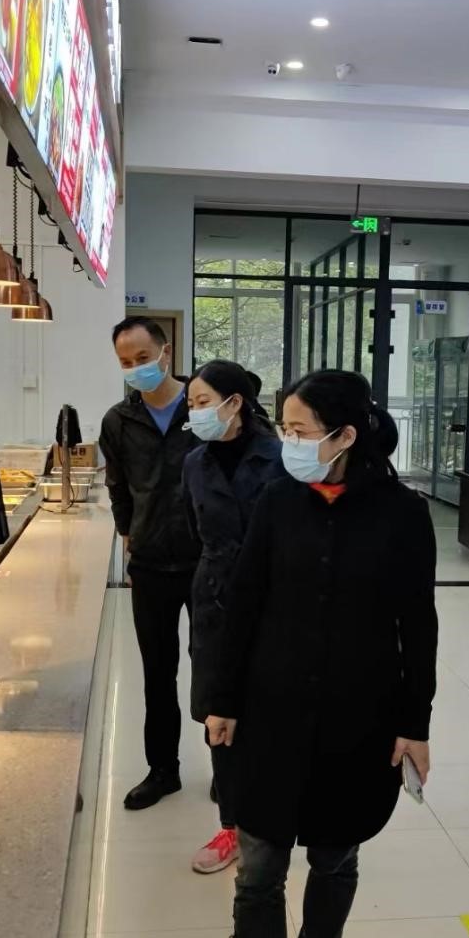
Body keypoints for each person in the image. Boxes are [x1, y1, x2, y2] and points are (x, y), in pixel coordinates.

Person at [206, 369, 437, 938]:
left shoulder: (403, 514)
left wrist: (415, 724)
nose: (289, 442)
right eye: (285, 429)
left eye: (300, 431)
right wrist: (222, 698)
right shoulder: (277, 502)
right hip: (269, 713)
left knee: (335, 860)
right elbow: (244, 604)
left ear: (345, 436)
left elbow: (418, 625)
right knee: (259, 869)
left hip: (358, 719)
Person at [181, 360, 284, 875]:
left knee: (270, 709)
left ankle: (274, 817)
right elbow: (193, 527)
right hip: (215, 598)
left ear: (234, 402)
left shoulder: (280, 459)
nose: (195, 411)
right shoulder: (194, 462)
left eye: (203, 402)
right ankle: (232, 826)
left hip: (274, 598)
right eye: (192, 404)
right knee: (218, 714)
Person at [100, 318, 201, 810]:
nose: (135, 368)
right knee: (157, 674)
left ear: (165, 352)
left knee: (216, 670)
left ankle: (228, 769)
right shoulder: (119, 421)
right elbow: (118, 486)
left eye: (142, 358)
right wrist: (129, 533)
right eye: (125, 362)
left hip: (207, 562)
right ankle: (163, 770)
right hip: (151, 564)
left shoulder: (203, 408)